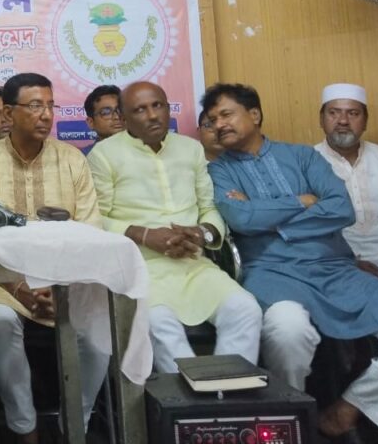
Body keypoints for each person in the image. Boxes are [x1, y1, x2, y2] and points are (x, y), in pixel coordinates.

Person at [202, 83, 378, 438]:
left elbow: (341, 208)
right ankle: (291, 423)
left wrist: (267, 217)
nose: (219, 124)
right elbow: (240, 219)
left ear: (254, 114)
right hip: (271, 273)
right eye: (212, 119)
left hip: (334, 269)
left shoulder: (302, 156)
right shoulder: (217, 171)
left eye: (226, 114)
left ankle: (348, 409)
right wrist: (303, 201)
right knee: (288, 331)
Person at [0, 73, 104, 443]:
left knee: (99, 337)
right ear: (9, 113)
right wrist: (20, 288)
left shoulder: (72, 160)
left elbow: (91, 233)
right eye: (35, 106)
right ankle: (25, 428)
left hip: (67, 280)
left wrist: (60, 288)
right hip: (3, 283)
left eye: (50, 106)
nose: (46, 115)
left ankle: (75, 425)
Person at [88, 81, 262, 374]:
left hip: (193, 263)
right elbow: (95, 218)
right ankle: (192, 400)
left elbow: (208, 208)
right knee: (161, 326)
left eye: (158, 106)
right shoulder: (104, 155)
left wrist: (201, 233)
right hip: (140, 269)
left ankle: (229, 392)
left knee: (246, 310)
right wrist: (145, 235)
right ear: (124, 117)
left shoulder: (190, 149)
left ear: (169, 109)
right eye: (140, 110)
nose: (152, 115)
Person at [312, 83, 378, 294]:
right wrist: (347, 262)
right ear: (321, 119)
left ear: (365, 121)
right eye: (334, 113)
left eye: (353, 113)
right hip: (336, 266)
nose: (343, 121)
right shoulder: (306, 163)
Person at [82, 84, 123, 155]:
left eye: (120, 110)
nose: (116, 117)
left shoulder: (142, 151)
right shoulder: (82, 157)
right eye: (106, 112)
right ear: (91, 122)